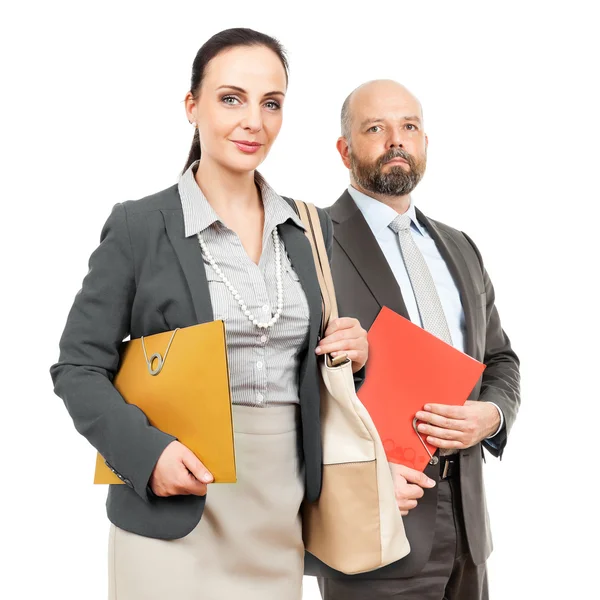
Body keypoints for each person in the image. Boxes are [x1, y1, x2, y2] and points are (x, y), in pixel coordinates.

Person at [49, 28, 368, 600]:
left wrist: (354, 354)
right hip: (171, 510)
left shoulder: (309, 228)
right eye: (231, 98)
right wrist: (148, 456)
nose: (253, 120)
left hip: (280, 511)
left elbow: (319, 374)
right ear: (192, 106)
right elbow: (76, 366)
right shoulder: (139, 226)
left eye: (271, 103)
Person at [307, 79, 520, 600]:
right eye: (375, 128)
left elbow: (500, 359)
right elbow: (290, 383)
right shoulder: (310, 242)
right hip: (376, 522)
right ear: (345, 150)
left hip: (468, 526)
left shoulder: (460, 246)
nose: (395, 140)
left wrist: (490, 417)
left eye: (409, 127)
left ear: (425, 142)